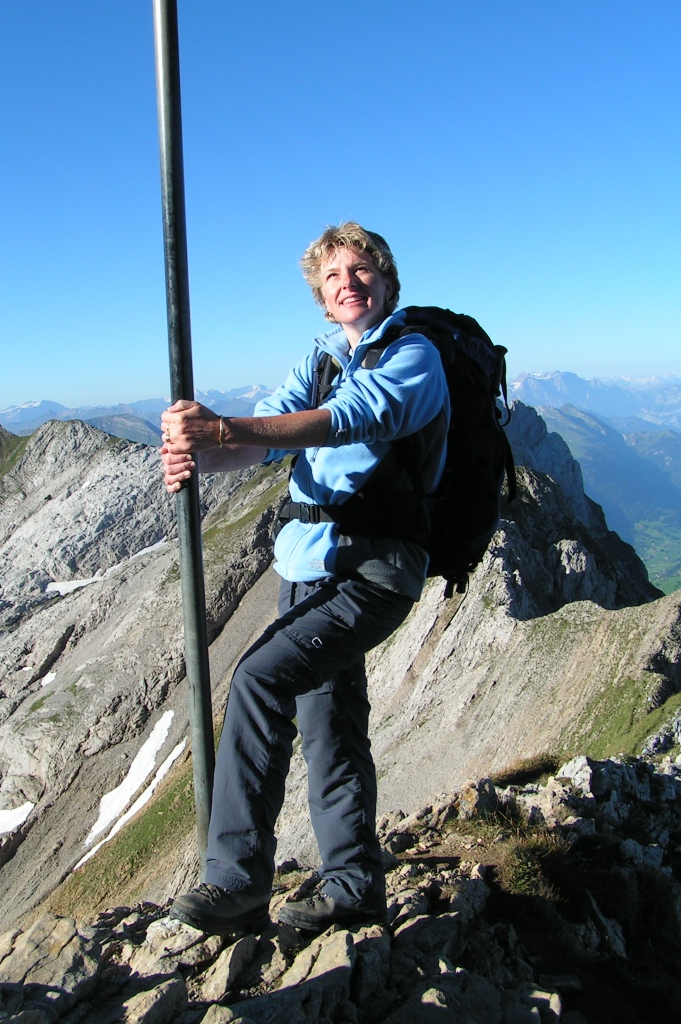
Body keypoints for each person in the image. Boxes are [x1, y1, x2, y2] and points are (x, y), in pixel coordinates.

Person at [159, 222, 449, 934]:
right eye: (333, 276)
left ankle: (236, 880)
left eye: (362, 270)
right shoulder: (319, 361)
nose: (348, 283)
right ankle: (353, 886)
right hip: (306, 565)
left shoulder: (415, 355)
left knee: (258, 679)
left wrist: (224, 430)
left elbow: (354, 418)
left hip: (372, 569)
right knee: (331, 724)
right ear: (321, 295)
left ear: (387, 281)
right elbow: (260, 444)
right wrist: (198, 455)